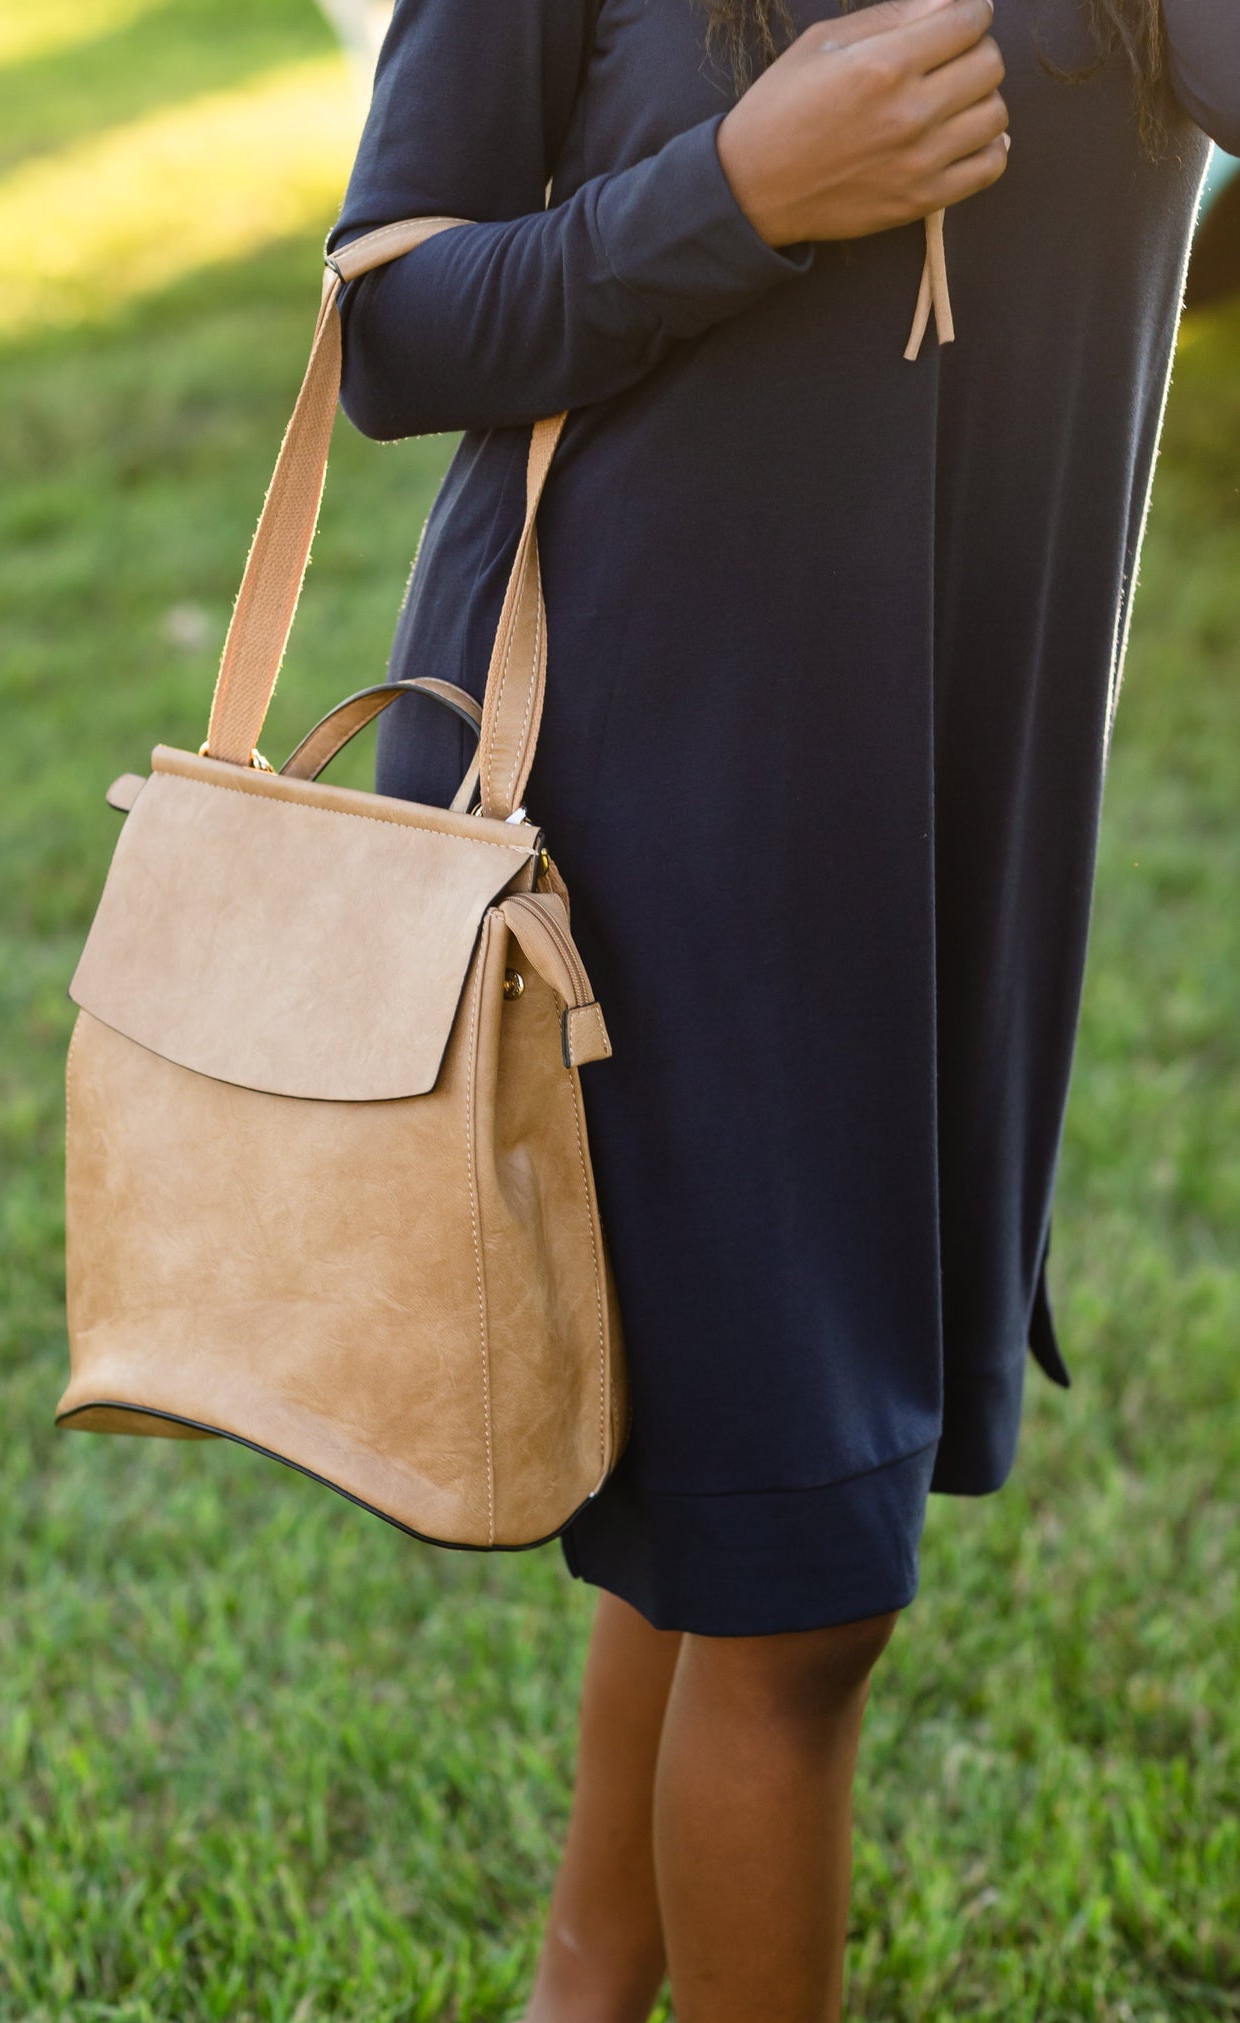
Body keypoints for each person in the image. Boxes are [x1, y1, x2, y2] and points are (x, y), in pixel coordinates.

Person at [327, 0, 1238, 2015]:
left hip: (965, 822)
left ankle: (583, 1990)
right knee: (801, 1589)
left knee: (739, 1508)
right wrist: (734, 194)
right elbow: (392, 320)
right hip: (656, 810)